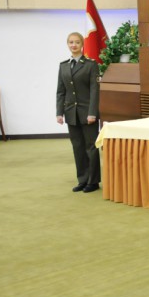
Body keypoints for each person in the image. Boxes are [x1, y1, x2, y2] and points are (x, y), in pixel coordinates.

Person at [56, 32, 101, 193]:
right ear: (67, 44)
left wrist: (92, 112)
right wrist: (59, 112)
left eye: (76, 42)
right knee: (78, 147)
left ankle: (93, 181)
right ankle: (82, 179)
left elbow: (95, 91)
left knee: (91, 147)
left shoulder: (90, 65)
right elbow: (61, 91)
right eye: (71, 42)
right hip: (71, 113)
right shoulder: (63, 66)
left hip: (88, 113)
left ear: (82, 45)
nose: (73, 45)